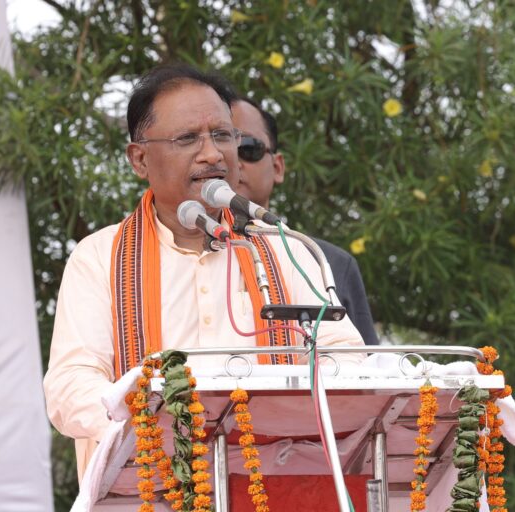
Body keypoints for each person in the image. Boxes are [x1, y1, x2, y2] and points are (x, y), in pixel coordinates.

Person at [42, 64, 365, 480]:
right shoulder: (99, 257)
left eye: (222, 136)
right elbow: (70, 387)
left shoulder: (285, 250)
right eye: (188, 138)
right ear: (139, 159)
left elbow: (347, 360)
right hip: (150, 487)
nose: (212, 153)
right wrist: (163, 426)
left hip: (273, 486)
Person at [231, 97, 379, 345]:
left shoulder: (328, 262)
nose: (233, 162)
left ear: (278, 167)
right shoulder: (174, 254)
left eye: (247, 148)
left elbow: (365, 364)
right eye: (221, 146)